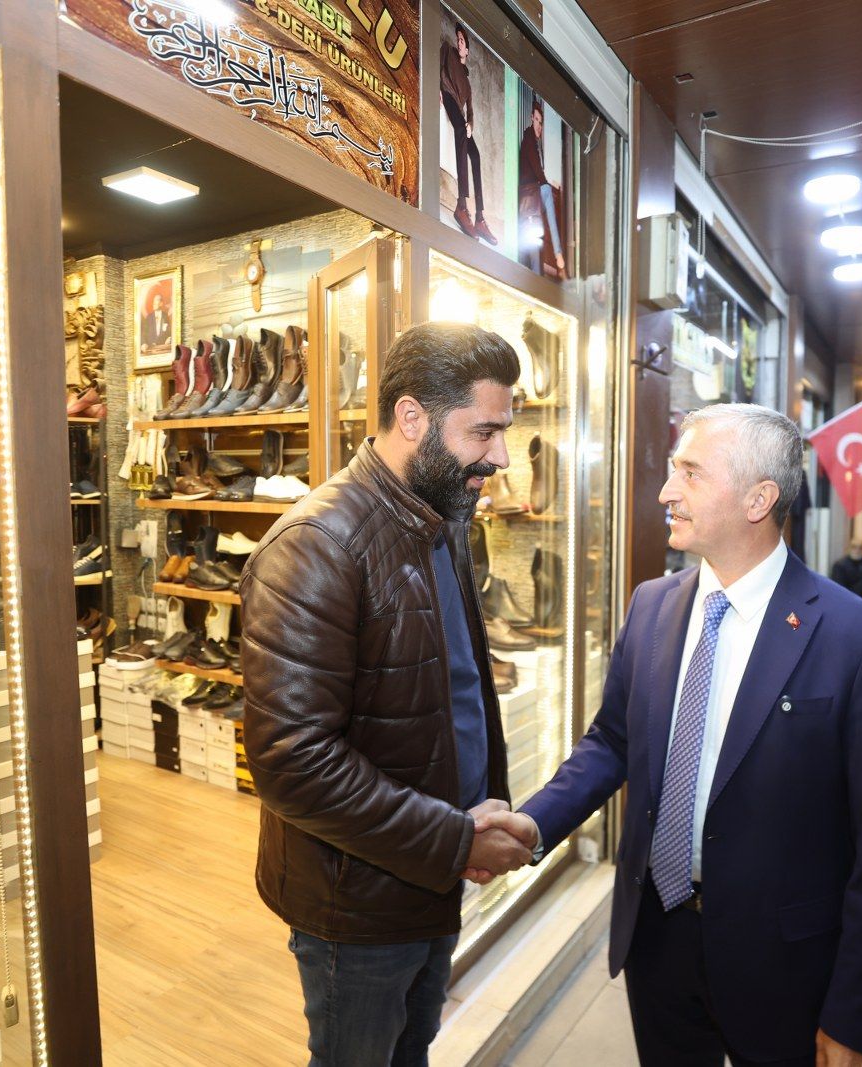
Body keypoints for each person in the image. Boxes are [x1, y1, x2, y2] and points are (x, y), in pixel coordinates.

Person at [474, 404, 862, 1065]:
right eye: (671, 470)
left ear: (758, 499)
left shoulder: (861, 639)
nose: (665, 492)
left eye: (690, 473)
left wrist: (858, 1015)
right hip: (657, 940)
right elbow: (613, 741)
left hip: (786, 966)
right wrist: (534, 824)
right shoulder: (652, 604)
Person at [240, 322, 531, 1066]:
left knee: (412, 1052)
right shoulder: (317, 545)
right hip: (358, 902)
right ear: (412, 418)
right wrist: (454, 838)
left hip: (430, 873)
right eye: (485, 431)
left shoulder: (441, 515)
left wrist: (475, 817)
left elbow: (451, 686)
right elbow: (292, 762)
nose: (500, 456)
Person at [439, 24, 496, 246]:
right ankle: (461, 206)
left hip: (461, 113)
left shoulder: (469, 85)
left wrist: (471, 124)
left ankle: (480, 217)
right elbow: (437, 65)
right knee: (461, 131)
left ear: (467, 51)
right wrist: (437, 88)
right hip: (448, 96)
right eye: (458, 38)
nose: (459, 42)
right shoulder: (447, 50)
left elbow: (470, 111)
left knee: (476, 154)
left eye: (462, 40)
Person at [516, 96, 566, 278]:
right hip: (529, 196)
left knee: (549, 194)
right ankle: (559, 255)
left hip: (532, 197)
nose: (539, 125)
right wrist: (546, 184)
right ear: (531, 118)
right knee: (547, 192)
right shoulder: (529, 139)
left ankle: (556, 257)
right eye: (536, 120)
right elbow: (537, 171)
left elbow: (538, 172)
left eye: (541, 122)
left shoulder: (534, 143)